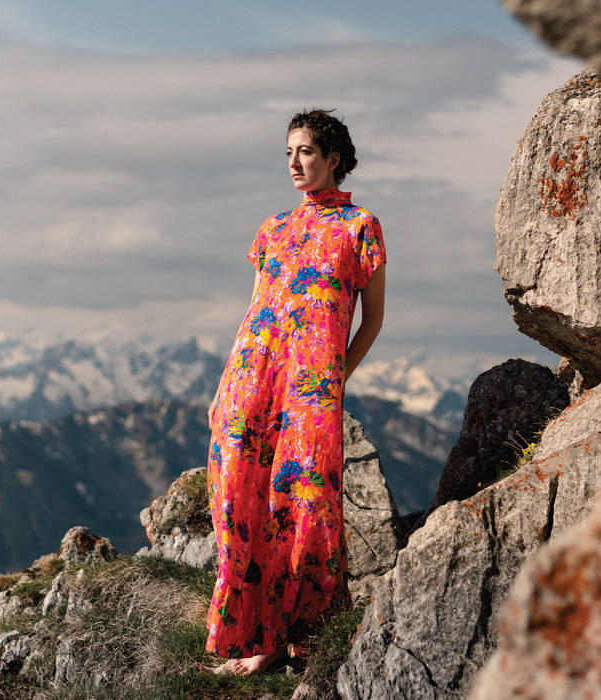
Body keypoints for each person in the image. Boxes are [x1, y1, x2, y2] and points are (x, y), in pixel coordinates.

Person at [205, 108, 386, 676]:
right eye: (288, 153)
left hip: (311, 394)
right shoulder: (272, 228)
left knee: (305, 507)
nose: (295, 163)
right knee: (240, 498)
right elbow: (255, 309)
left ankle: (298, 638)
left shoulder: (361, 227)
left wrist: (333, 382)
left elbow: (372, 322)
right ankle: (253, 636)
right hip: (250, 381)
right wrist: (223, 384)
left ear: (333, 157)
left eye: (305, 151)